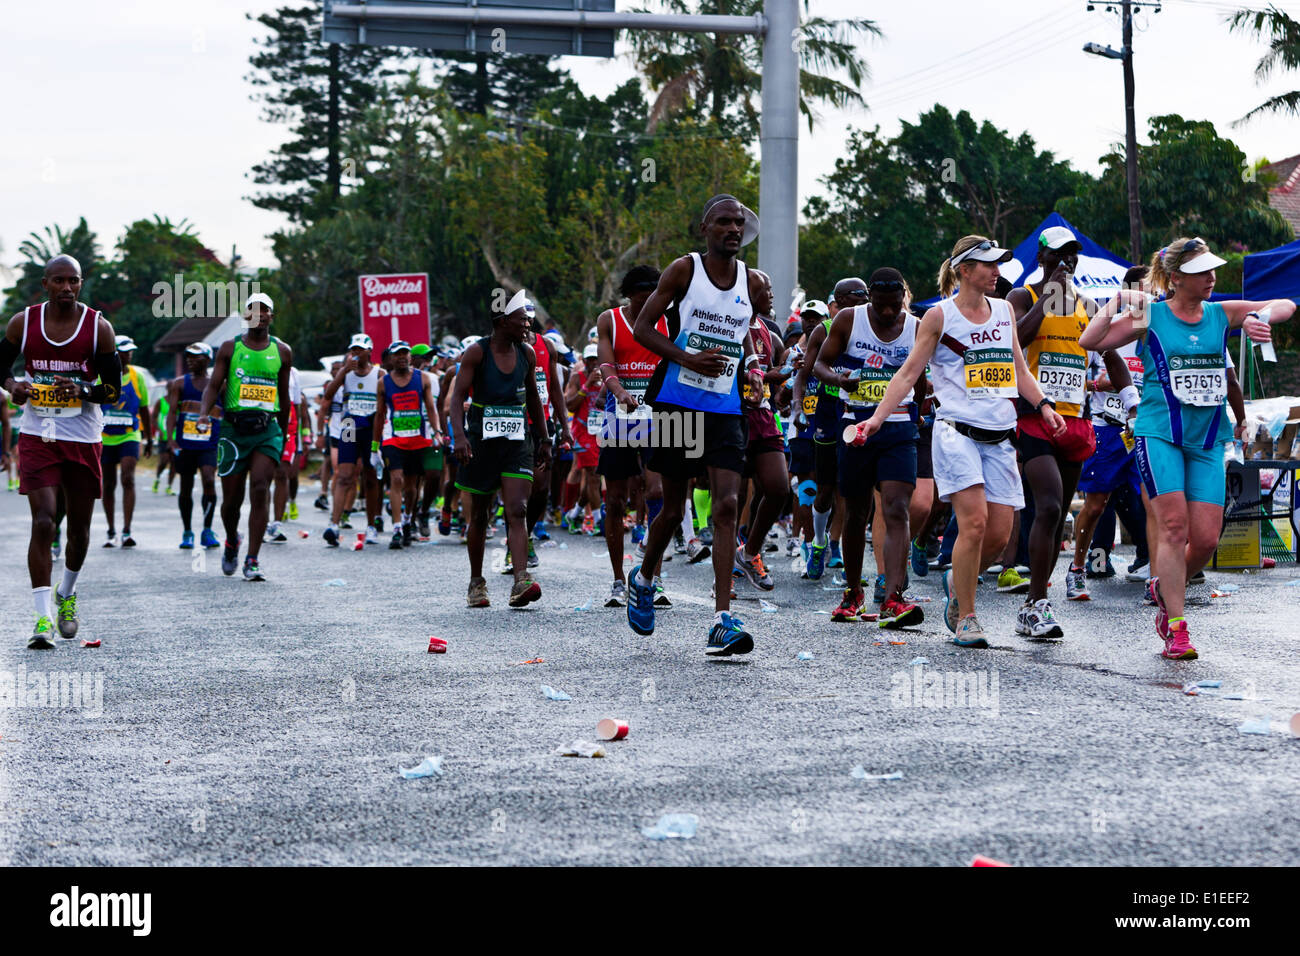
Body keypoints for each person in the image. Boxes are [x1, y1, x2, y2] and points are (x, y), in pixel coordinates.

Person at [1079, 236, 1294, 660]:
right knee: (1174, 528)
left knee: (1208, 539)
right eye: (1203, 272)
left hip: (1208, 439)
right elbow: (1090, 341)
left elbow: (1288, 303)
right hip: (1159, 433)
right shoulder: (1150, 314)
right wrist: (1119, 299)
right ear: (1176, 278)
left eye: (1214, 270)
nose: (1213, 278)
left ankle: (1164, 583)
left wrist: (1261, 317)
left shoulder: (1221, 313)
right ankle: (1176, 626)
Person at [857, 236, 1067, 648]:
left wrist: (1043, 405)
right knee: (973, 522)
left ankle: (958, 579)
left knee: (999, 534)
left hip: (1001, 435)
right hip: (956, 433)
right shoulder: (939, 317)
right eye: (988, 265)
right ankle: (967, 616)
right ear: (964, 270)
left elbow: (1019, 371)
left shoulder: (1005, 310)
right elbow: (907, 374)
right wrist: (877, 419)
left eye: (998, 265)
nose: (997, 272)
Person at [625, 193, 766, 656]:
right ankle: (644, 577)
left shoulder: (755, 281)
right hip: (674, 402)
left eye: (739, 223)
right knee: (671, 507)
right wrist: (688, 357)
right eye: (723, 222)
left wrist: (752, 367)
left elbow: (741, 328)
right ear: (705, 229)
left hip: (725, 408)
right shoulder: (683, 270)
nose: (733, 229)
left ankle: (721, 618)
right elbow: (643, 329)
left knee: (727, 504)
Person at [1006, 225, 1136, 637]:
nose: (1067, 262)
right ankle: (1037, 603)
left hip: (1076, 421)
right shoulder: (1020, 298)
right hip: (1033, 416)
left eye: (1072, 256)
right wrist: (1046, 300)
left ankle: (1034, 602)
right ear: (1041, 258)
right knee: (1046, 507)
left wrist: (1132, 401)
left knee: (1059, 511)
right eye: (1059, 255)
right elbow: (1015, 342)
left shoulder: (1087, 303)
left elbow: (1109, 353)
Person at [1, 255, 121, 648]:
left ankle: (66, 593)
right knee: (43, 522)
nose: (67, 288)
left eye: (74, 281)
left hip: (83, 436)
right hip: (39, 433)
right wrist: (12, 385)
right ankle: (42, 619)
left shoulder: (97, 329)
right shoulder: (24, 323)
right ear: (45, 284)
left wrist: (84, 390)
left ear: (81, 284)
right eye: (59, 281)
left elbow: (113, 391)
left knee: (80, 531)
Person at [816, 267, 925, 627]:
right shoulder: (849, 319)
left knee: (896, 508)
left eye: (896, 305)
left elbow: (918, 375)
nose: (890, 312)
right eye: (882, 306)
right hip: (856, 425)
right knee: (856, 511)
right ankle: (852, 593)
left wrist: (920, 412)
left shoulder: (915, 325)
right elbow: (820, 363)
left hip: (898, 427)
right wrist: (838, 380)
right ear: (869, 300)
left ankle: (894, 597)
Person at [449, 290, 550, 608]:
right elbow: (456, 398)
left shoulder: (528, 353)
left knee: (517, 509)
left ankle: (521, 581)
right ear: (503, 320)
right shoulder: (476, 353)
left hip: (518, 442)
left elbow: (533, 397)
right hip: (480, 443)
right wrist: (460, 437)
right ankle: (476, 582)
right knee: (479, 515)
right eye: (522, 318)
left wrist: (544, 439)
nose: (528, 324)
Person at [199, 293, 292, 581]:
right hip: (233, 430)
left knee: (261, 487)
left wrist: (286, 435)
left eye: (265, 311)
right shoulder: (230, 347)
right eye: (253, 310)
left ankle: (252, 559)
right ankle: (231, 540)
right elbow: (214, 385)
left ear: (271, 317)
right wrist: (204, 412)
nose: (259, 315)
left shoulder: (283, 351)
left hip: (267, 430)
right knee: (231, 500)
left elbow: (285, 397)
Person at [596, 265, 671, 607]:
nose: (647, 307)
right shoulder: (609, 320)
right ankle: (616, 580)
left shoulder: (671, 320)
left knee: (657, 493)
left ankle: (650, 576)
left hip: (662, 417)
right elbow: (607, 365)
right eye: (641, 300)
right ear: (629, 297)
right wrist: (619, 390)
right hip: (621, 416)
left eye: (653, 300)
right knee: (616, 500)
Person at [734, 268, 792, 593]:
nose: (770, 294)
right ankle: (725, 570)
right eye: (764, 288)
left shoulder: (769, 333)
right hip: (733, 416)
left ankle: (750, 551)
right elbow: (734, 373)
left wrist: (785, 374)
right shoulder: (731, 326)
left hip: (764, 416)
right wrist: (771, 376)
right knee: (733, 496)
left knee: (779, 488)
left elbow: (769, 375)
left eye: (770, 288)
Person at [373, 341, 442, 549]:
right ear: (390, 358)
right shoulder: (383, 382)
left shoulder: (423, 379)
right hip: (393, 438)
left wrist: (437, 431)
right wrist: (374, 445)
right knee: (396, 479)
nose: (402, 358)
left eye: (405, 354)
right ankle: (396, 529)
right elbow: (379, 414)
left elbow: (431, 408)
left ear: (410, 357)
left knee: (412, 488)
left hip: (417, 438)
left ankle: (407, 519)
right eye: (397, 355)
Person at [322, 334, 382, 548]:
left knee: (370, 476)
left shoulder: (379, 373)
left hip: (371, 425)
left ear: (369, 352)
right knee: (344, 475)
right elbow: (328, 394)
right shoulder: (345, 373)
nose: (355, 354)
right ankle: (334, 524)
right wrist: (343, 371)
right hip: (349, 426)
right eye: (353, 350)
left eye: (360, 350)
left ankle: (371, 525)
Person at [165, 341, 221, 549]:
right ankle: (187, 531)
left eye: (195, 357)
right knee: (186, 486)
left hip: (209, 444)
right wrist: (170, 440)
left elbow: (227, 412)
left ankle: (207, 529)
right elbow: (172, 413)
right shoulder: (179, 384)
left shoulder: (219, 385)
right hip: (185, 444)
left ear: (207, 360)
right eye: (188, 356)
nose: (190, 360)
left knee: (208, 480)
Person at [99, 335, 152, 548]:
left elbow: (144, 409)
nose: (128, 355)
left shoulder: (137, 377)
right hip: (105, 437)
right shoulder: (100, 375)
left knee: (128, 478)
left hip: (130, 434)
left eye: (130, 351)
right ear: (114, 353)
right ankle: (111, 530)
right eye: (124, 351)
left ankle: (127, 530)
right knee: (108, 483)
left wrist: (148, 438)